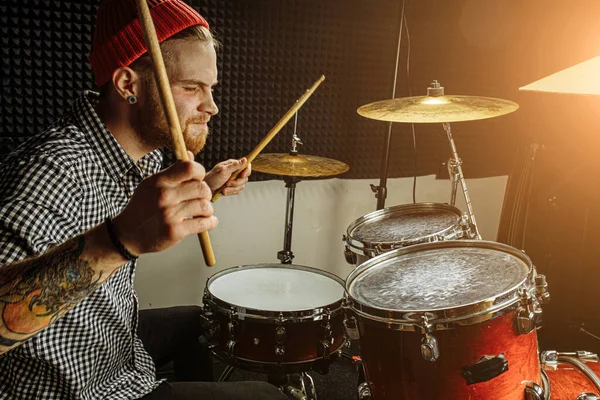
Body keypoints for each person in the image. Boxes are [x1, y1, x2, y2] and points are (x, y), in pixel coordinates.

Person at [0, 0, 287, 399]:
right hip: (74, 387)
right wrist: (119, 241)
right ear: (127, 85)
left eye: (211, 88)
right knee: (266, 396)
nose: (212, 106)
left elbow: (146, 217)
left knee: (197, 323)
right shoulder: (52, 172)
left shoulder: (139, 150)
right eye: (191, 87)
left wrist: (213, 186)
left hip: (114, 343)